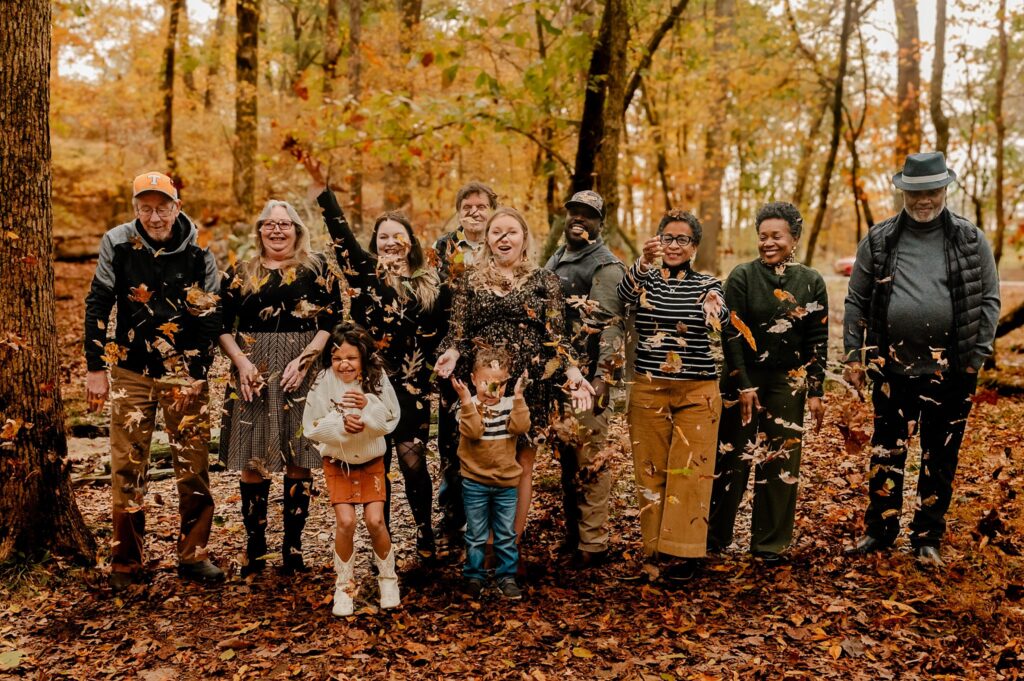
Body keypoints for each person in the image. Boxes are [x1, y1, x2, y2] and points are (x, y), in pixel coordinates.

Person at [842, 152, 1000, 568]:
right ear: (904, 192)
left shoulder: (970, 239)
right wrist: (853, 356)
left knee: (940, 456)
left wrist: (974, 358)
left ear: (945, 188)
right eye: (915, 192)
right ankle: (880, 531)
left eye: (931, 190)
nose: (924, 199)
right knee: (887, 451)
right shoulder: (880, 239)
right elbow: (856, 299)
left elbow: (989, 301)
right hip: (891, 369)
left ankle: (927, 536)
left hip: (951, 371)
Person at [84, 171, 224, 591]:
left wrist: (197, 374)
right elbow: (98, 302)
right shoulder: (118, 243)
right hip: (131, 370)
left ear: (176, 207)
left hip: (184, 374)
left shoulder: (200, 252)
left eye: (162, 207)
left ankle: (194, 554)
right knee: (128, 465)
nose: (155, 216)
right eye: (145, 207)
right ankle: (126, 559)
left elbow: (211, 316)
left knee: (192, 465)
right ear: (135, 209)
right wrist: (96, 367)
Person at [309, 161, 448, 561]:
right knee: (376, 464)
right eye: (383, 236)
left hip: (413, 388)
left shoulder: (431, 284)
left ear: (411, 241)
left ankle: (425, 537)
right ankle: (382, 550)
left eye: (398, 236)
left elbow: (443, 333)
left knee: (414, 461)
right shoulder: (366, 277)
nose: (390, 242)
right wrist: (324, 193)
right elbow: (341, 238)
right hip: (371, 387)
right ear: (376, 243)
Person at [435, 207, 594, 553]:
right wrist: (451, 353)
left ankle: (509, 547)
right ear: (488, 239)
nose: (503, 238)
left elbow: (556, 335)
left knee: (522, 464)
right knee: (482, 462)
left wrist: (574, 372)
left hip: (527, 384)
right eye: (496, 232)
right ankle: (481, 543)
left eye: (511, 232)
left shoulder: (543, 280)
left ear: (524, 238)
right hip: (484, 388)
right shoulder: (468, 281)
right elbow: (458, 335)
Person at [218, 200, 339, 576]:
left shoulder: (317, 268)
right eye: (269, 224)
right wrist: (241, 363)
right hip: (252, 368)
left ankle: (293, 546)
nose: (277, 230)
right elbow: (219, 324)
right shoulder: (241, 272)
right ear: (259, 231)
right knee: (252, 458)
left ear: (297, 230)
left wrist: (305, 360)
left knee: (300, 456)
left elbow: (333, 318)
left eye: (285, 224)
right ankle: (255, 547)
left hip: (301, 367)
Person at [706, 202, 828, 565]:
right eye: (763, 236)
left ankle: (770, 544)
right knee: (732, 458)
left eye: (776, 236)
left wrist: (816, 390)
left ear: (794, 238)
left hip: (788, 382)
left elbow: (817, 341)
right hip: (743, 380)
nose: (768, 243)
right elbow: (731, 335)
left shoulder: (811, 281)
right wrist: (743, 383)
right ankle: (714, 536)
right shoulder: (742, 277)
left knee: (781, 461)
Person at [616, 210, 729, 581]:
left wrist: (715, 308)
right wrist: (643, 262)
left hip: (698, 390)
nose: (674, 245)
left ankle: (682, 555)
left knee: (689, 470)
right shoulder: (645, 278)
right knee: (649, 470)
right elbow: (622, 296)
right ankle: (653, 555)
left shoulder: (707, 283)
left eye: (682, 239)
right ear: (658, 241)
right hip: (649, 387)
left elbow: (721, 316)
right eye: (668, 237)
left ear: (694, 246)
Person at [545, 190, 625, 567]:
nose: (578, 219)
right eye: (573, 213)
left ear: (600, 223)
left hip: (589, 384)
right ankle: (575, 536)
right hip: (559, 380)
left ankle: (594, 545)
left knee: (590, 463)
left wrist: (603, 380)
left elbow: (610, 326)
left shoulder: (605, 265)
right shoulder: (558, 257)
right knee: (568, 461)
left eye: (587, 215)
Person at [302, 323, 402, 617]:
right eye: (336, 358)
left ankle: (388, 580)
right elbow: (311, 426)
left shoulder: (377, 378)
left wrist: (369, 409)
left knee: (375, 521)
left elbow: (391, 419)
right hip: (338, 462)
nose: (343, 364)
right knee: (346, 522)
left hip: (372, 461)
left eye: (351, 358)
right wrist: (340, 424)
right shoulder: (322, 381)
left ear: (363, 357)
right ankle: (344, 586)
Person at [433, 182, 499, 546]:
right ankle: (451, 513)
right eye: (468, 206)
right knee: (451, 435)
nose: (475, 212)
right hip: (452, 353)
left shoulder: (501, 243)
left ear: (492, 209)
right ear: (459, 210)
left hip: (493, 357)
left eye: (482, 206)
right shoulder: (442, 248)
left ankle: (488, 516)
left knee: (490, 431)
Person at [451, 348, 531, 600]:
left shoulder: (510, 404)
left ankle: (506, 577)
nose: (491, 389)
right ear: (474, 379)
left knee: (506, 533)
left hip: (506, 484)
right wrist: (466, 401)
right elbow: (473, 432)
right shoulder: (466, 406)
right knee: (476, 533)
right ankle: (474, 576)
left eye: (499, 384)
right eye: (486, 382)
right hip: (475, 483)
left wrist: (518, 397)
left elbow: (520, 427)